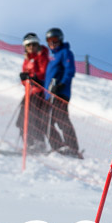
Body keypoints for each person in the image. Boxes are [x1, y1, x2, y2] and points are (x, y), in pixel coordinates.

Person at [43, 27, 81, 158]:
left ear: (60, 40)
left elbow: (69, 70)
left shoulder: (65, 52)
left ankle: (73, 148)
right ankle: (58, 146)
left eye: (55, 40)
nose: (52, 43)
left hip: (60, 92)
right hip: (50, 94)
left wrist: (61, 84)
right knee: (47, 121)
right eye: (49, 40)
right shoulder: (53, 57)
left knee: (61, 119)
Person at [15, 32, 49, 152]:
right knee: (21, 120)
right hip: (29, 93)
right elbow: (26, 80)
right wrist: (24, 79)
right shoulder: (27, 59)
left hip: (39, 92)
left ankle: (39, 143)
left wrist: (34, 77)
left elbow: (44, 73)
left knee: (34, 118)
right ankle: (29, 144)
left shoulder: (42, 56)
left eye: (33, 45)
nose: (31, 48)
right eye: (28, 46)